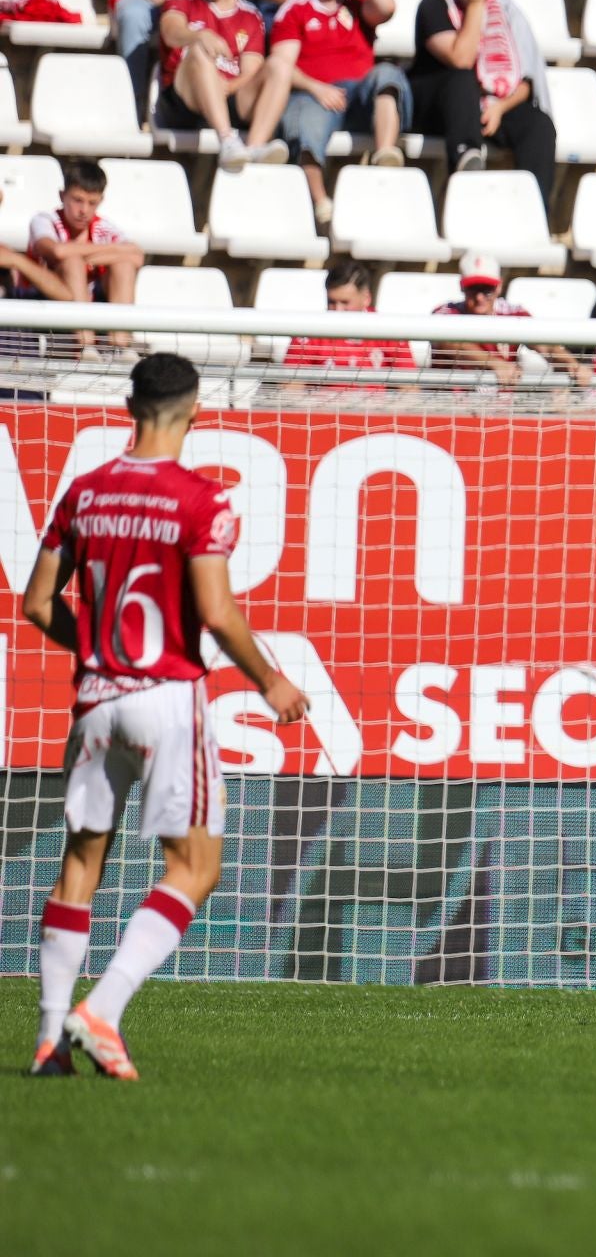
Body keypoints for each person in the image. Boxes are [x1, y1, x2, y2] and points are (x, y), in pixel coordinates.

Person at [22, 354, 311, 1079]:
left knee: (81, 862)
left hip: (96, 699)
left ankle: (50, 1040)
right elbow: (213, 611)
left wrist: (94, 644)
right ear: (195, 411)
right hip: (166, 698)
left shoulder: (83, 494)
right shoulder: (202, 500)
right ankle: (104, 1010)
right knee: (196, 865)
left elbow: (35, 603)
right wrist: (269, 679)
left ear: (128, 404)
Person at [260, 0, 408, 226]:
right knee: (304, 117)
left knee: (388, 75)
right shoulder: (297, 8)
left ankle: (385, 161)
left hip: (360, 97)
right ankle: (321, 204)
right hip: (315, 95)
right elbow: (282, 64)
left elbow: (387, 8)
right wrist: (316, 87)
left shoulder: (358, 6)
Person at [411, 0, 557, 203]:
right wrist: (475, 5)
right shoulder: (434, 5)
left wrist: (500, 107)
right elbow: (462, 58)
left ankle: (536, 212)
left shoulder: (508, 10)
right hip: (444, 111)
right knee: (462, 80)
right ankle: (467, 171)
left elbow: (526, 82)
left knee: (539, 125)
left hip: (492, 107)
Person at [152, 0, 285, 173]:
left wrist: (227, 87)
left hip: (229, 95)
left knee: (278, 66)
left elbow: (252, 69)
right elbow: (170, 31)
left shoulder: (250, 14)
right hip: (184, 98)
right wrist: (198, 35)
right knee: (199, 50)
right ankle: (227, 141)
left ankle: (254, 147)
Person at [23, 161, 145, 360]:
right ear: (62, 196)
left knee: (124, 265)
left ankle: (120, 347)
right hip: (42, 304)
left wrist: (82, 253)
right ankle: (85, 346)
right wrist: (111, 251)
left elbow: (136, 255)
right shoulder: (45, 220)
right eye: (77, 200)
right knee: (72, 263)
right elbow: (57, 250)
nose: (84, 210)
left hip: (90, 302)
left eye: (92, 203)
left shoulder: (103, 227)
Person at [430, 253, 594, 388]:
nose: (479, 297)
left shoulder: (514, 313)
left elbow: (544, 343)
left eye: (486, 289)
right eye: (473, 289)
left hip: (501, 409)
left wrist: (572, 364)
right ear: (462, 287)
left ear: (499, 287)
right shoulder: (446, 312)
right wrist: (494, 363)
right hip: (451, 409)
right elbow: (448, 342)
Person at [283, 259, 417, 378]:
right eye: (332, 302)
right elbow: (290, 391)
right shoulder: (309, 334)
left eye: (345, 302)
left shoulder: (389, 332)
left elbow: (409, 390)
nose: (337, 310)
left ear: (366, 298)